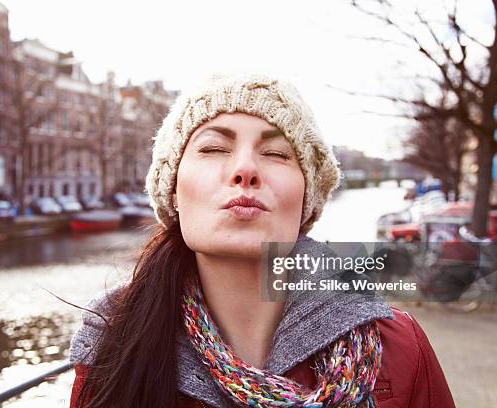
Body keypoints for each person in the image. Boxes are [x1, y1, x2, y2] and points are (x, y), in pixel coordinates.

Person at [68, 73, 456, 407]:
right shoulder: (113, 346)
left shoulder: (400, 348)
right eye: (214, 148)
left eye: (275, 153)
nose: (245, 169)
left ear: (307, 198)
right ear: (172, 190)